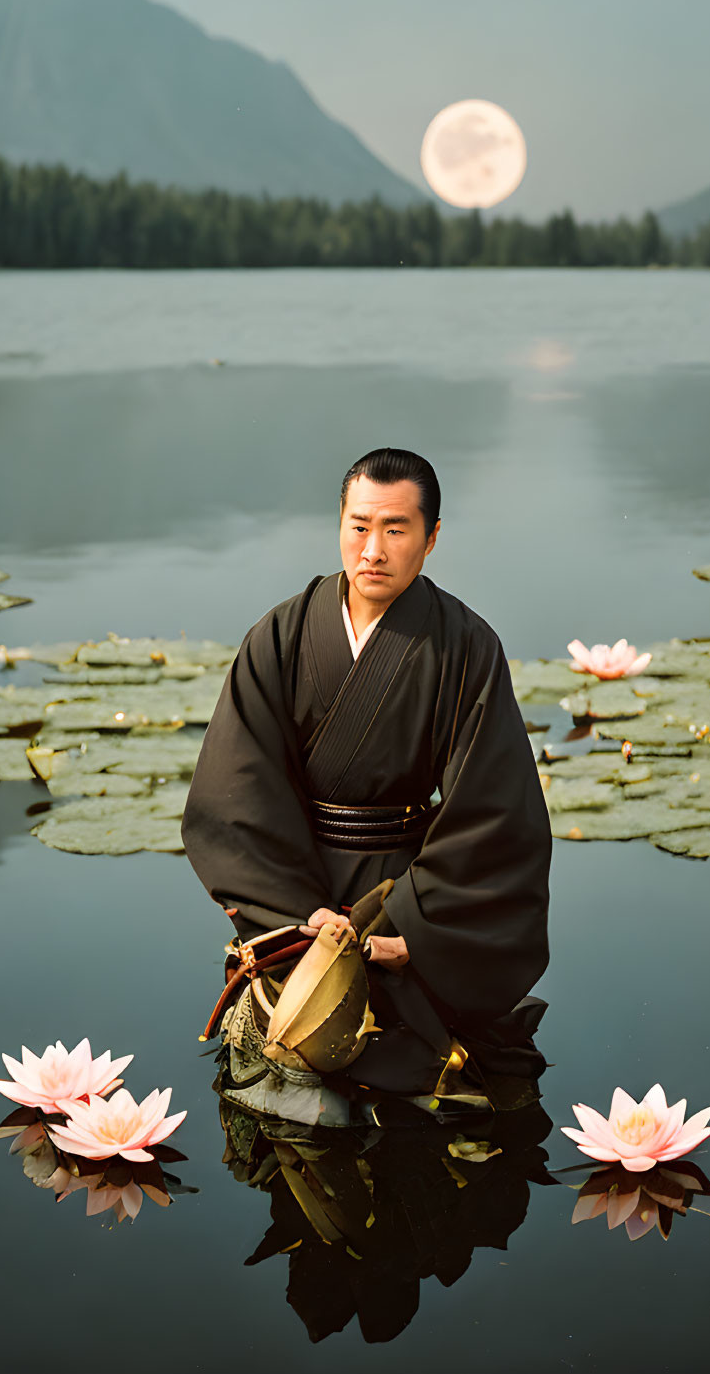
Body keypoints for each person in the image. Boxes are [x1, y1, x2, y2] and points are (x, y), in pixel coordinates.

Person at [182, 447, 551, 1108]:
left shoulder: (465, 645)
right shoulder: (283, 635)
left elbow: (495, 809)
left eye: (395, 528)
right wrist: (298, 912)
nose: (372, 549)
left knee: (442, 1072)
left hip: (406, 883)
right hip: (297, 882)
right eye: (358, 526)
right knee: (290, 1045)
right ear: (339, 525)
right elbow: (235, 791)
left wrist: (415, 927)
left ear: (431, 537)